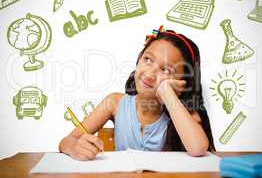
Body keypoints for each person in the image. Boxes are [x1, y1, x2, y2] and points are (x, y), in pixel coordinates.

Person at [59, 25, 215, 161]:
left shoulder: (185, 115)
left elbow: (198, 148)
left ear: (182, 83)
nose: (150, 73)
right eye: (148, 59)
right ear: (139, 59)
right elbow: (66, 141)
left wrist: (167, 93)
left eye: (165, 70)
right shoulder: (115, 103)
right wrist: (75, 147)